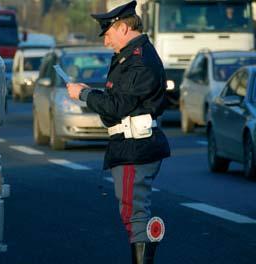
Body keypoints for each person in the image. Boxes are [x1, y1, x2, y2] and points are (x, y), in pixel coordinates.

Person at [66, 1, 170, 263]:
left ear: (123, 28)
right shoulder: (130, 57)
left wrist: (84, 94)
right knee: (132, 214)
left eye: (108, 34)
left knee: (134, 215)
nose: (106, 42)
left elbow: (118, 106)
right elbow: (117, 101)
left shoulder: (139, 61)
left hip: (135, 148)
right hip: (128, 146)